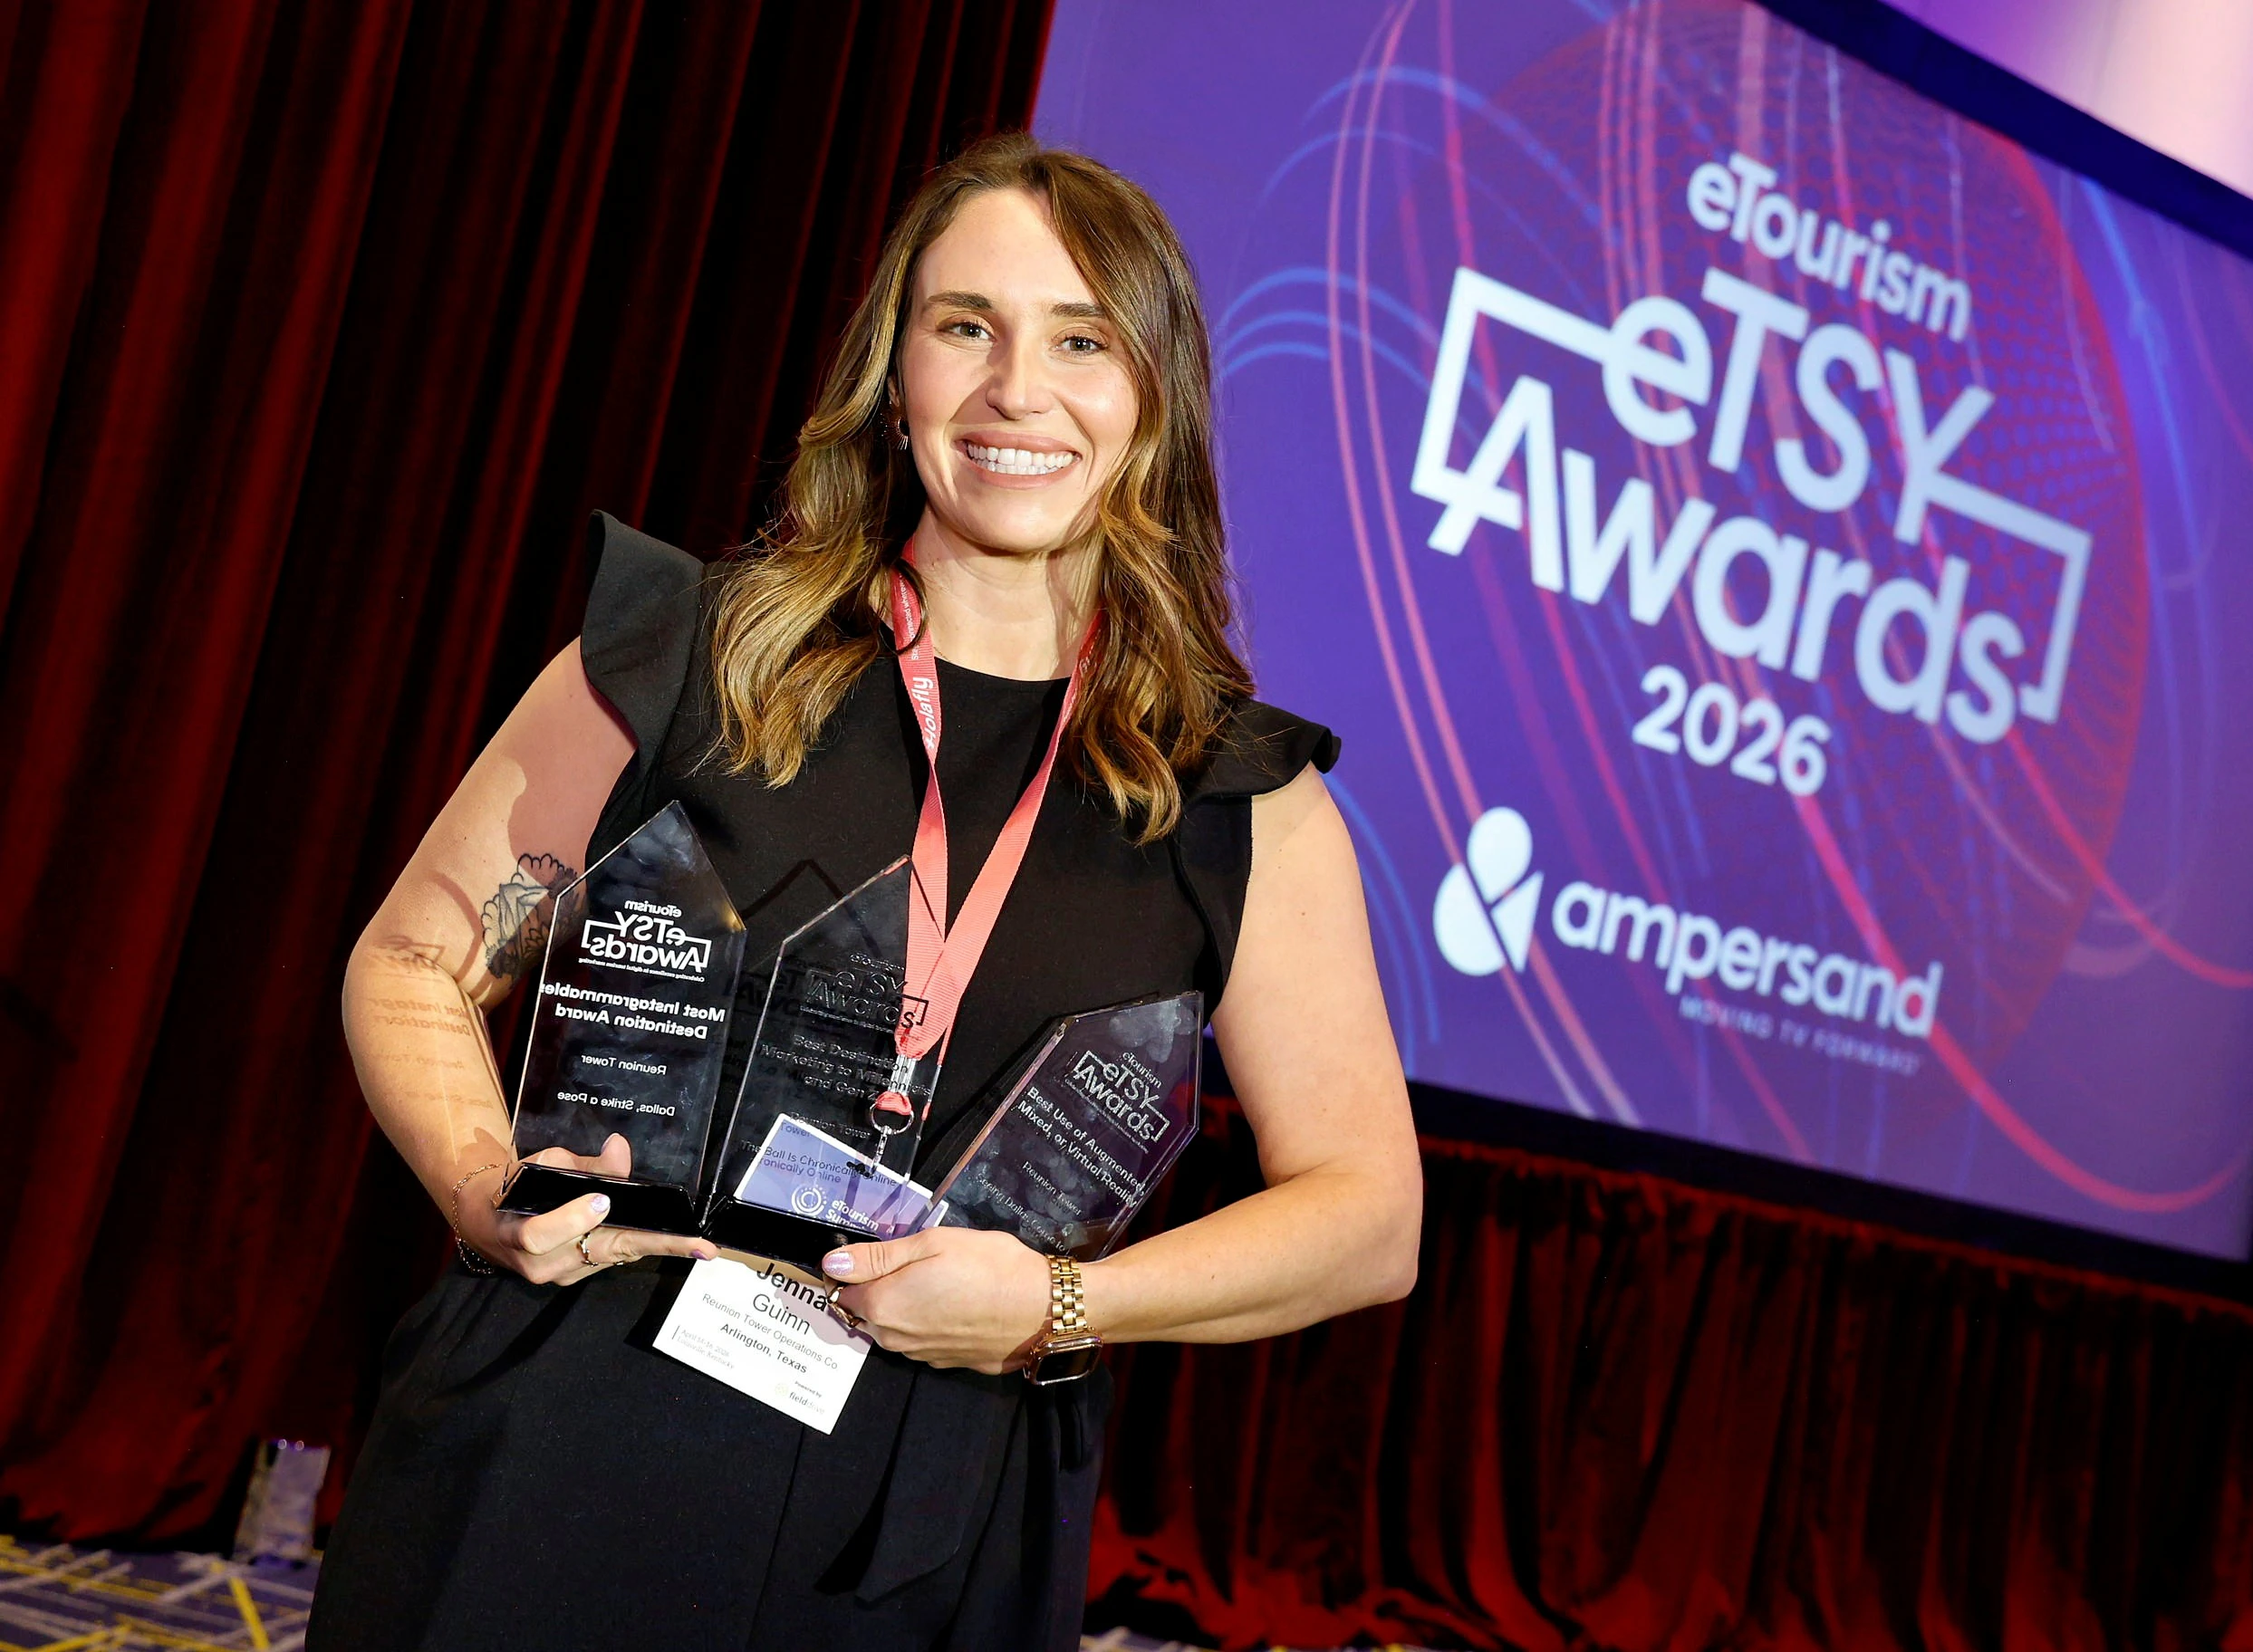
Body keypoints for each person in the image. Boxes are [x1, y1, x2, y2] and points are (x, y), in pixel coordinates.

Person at [307, 134, 1422, 1650]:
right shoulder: (692, 654)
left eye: (1082, 340)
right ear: (894, 377)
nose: (1015, 388)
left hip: (935, 1510)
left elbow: (1367, 1220)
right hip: (577, 1412)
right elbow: (412, 960)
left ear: (1153, 396)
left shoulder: (1235, 798)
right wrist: (482, 1184)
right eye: (965, 326)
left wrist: (1053, 1309)